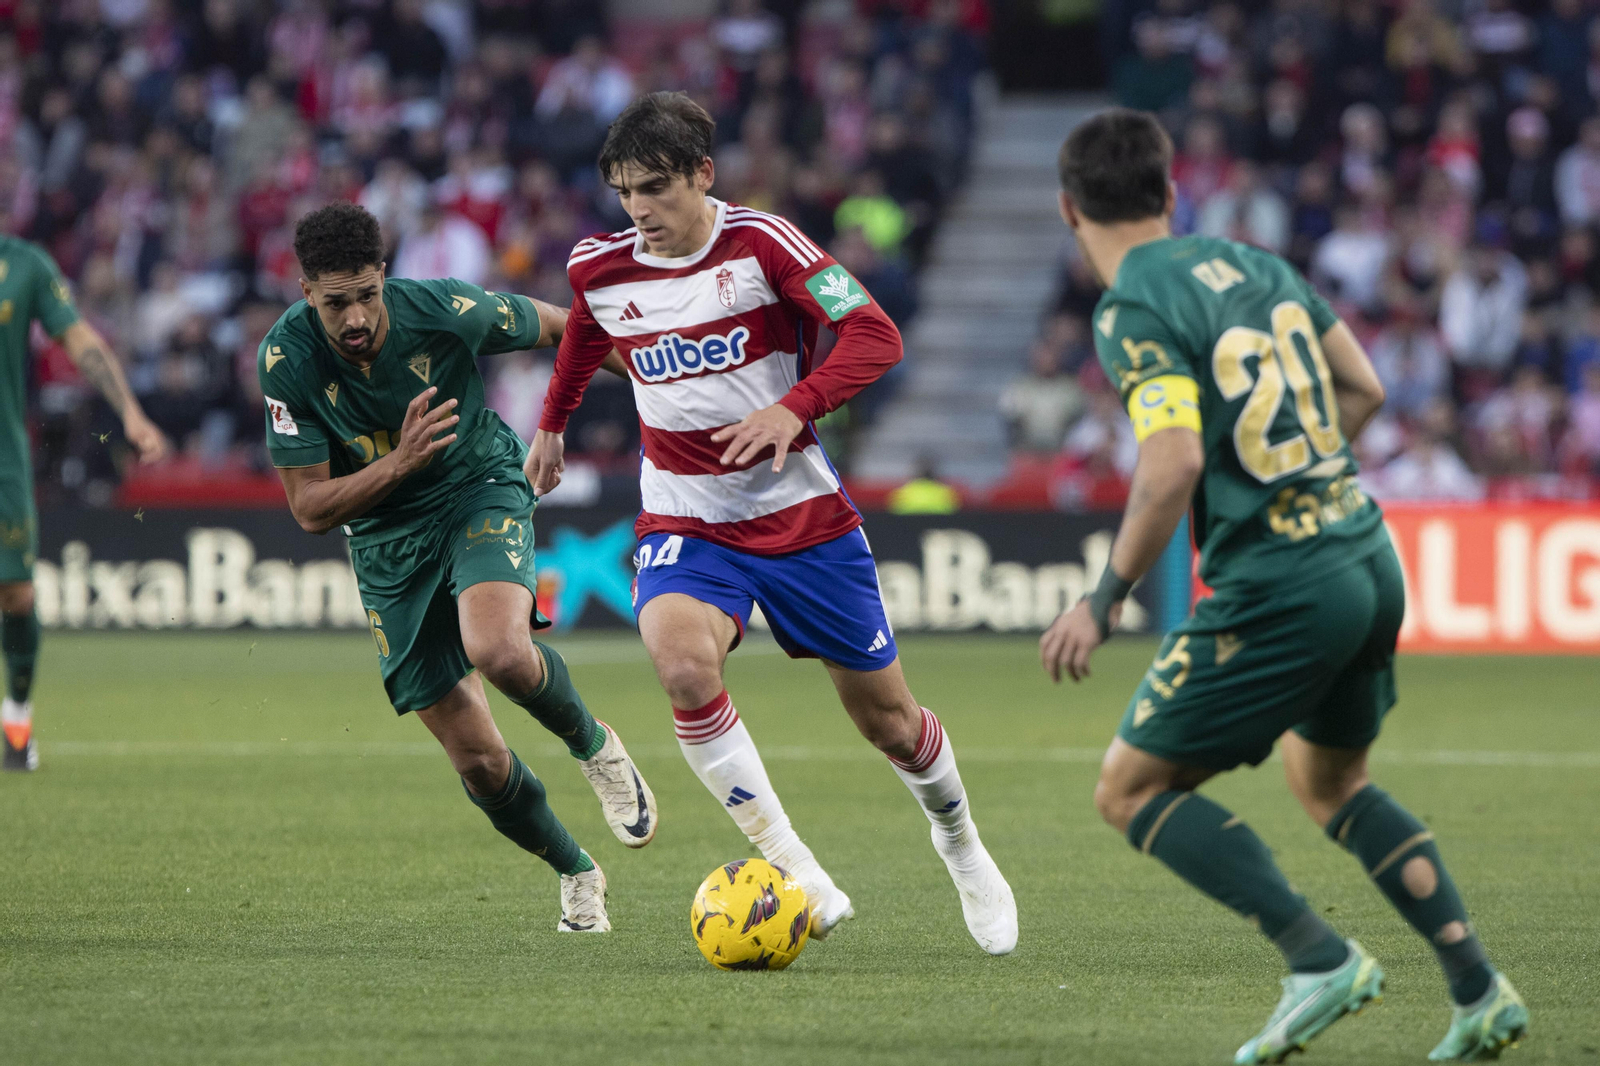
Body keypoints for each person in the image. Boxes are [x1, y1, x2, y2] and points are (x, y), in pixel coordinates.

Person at [1040, 109, 1528, 1063]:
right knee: (1331, 778)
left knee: (1130, 788)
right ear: (1171, 193)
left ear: (1069, 210)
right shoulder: (1258, 265)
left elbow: (1171, 462)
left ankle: (1316, 957)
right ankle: (1478, 991)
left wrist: (1105, 598)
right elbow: (1367, 390)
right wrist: (1300, 479)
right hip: (1362, 551)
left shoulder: (1132, 304)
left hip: (1283, 582)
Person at [530, 92, 1017, 954]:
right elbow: (582, 339)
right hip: (685, 515)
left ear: (703, 175)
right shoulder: (600, 267)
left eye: (656, 189)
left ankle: (961, 842)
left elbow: (875, 335)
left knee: (890, 723)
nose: (640, 211)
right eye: (624, 193)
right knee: (681, 664)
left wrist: (797, 406)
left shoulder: (765, 244)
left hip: (802, 518)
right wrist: (552, 423)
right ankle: (795, 867)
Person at [257, 203, 657, 933]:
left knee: (498, 649)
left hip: (477, 486)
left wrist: (667, 393)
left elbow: (570, 330)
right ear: (306, 290)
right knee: (476, 759)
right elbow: (311, 508)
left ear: (384, 276)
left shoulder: (444, 310)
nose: (354, 317)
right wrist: (402, 460)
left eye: (366, 295)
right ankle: (576, 871)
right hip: (383, 540)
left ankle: (594, 748)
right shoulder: (285, 363)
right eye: (335, 302)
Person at [1, 237, 169, 772]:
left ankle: (17, 718)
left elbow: (79, 340)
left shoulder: (25, 264)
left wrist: (129, 412)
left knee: (17, 596)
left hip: (4, 457)